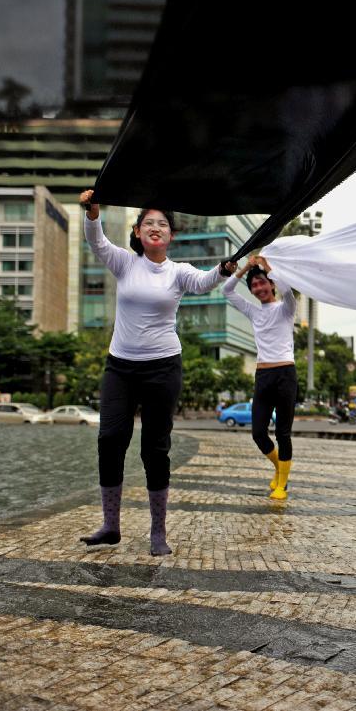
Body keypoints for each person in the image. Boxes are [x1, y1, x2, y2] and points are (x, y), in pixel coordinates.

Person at [78, 189, 234, 554]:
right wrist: (92, 212)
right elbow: (97, 241)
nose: (155, 227)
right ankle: (111, 526)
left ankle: (158, 533)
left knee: (155, 448)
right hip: (120, 366)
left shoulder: (178, 272)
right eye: (148, 222)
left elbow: (203, 281)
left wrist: (223, 269)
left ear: (171, 236)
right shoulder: (124, 263)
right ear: (136, 232)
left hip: (163, 369)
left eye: (162, 224)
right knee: (110, 440)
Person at [222, 255, 297, 499]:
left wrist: (267, 267)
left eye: (262, 283)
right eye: (254, 286)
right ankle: (280, 467)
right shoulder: (254, 312)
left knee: (283, 433)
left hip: (285, 373)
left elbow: (288, 291)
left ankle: (282, 485)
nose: (259, 288)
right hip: (263, 374)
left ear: (271, 284)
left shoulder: (286, 309)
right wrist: (245, 268)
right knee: (258, 433)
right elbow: (227, 289)